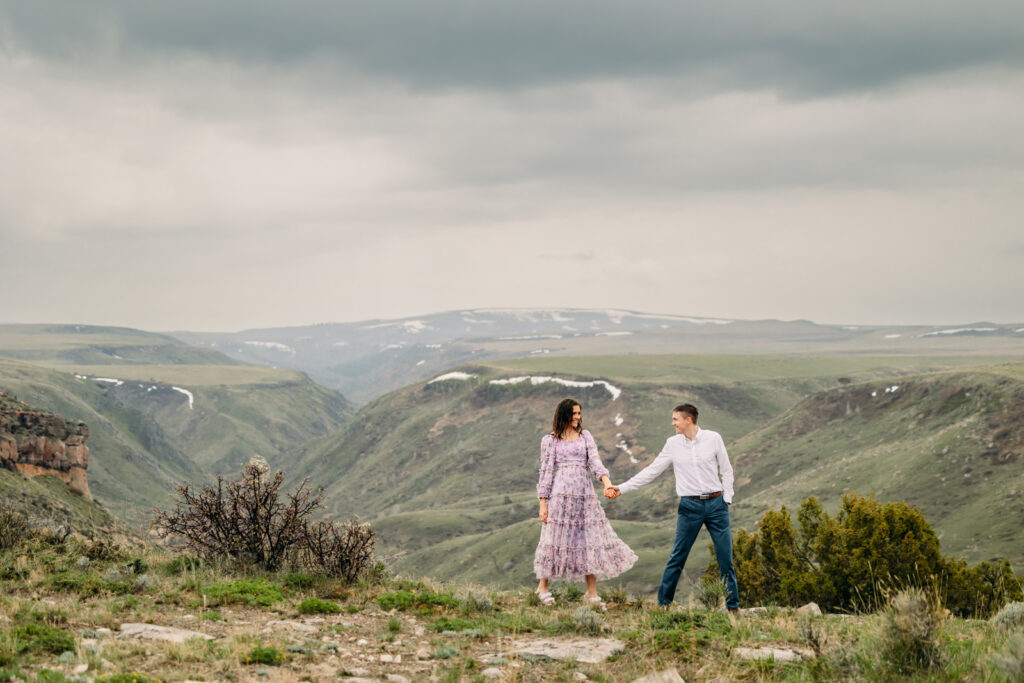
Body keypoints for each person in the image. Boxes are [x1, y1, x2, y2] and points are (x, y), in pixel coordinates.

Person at [605, 403, 739, 612]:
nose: (672, 423)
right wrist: (621, 488)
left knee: (725, 557)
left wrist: (727, 499)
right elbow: (652, 471)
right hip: (690, 506)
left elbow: (727, 470)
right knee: (677, 556)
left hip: (716, 504)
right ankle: (663, 605)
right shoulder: (672, 444)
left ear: (688, 420)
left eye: (676, 419)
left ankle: (733, 608)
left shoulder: (714, 438)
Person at [534, 398, 638, 610]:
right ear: (564, 415)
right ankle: (542, 587)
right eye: (574, 413)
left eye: (579, 413)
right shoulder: (550, 440)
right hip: (561, 496)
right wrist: (542, 504)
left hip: (585, 496)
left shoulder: (585, 436)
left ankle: (591, 593)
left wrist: (607, 484)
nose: (578, 417)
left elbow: (595, 463)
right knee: (553, 538)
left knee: (589, 539)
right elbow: (545, 472)